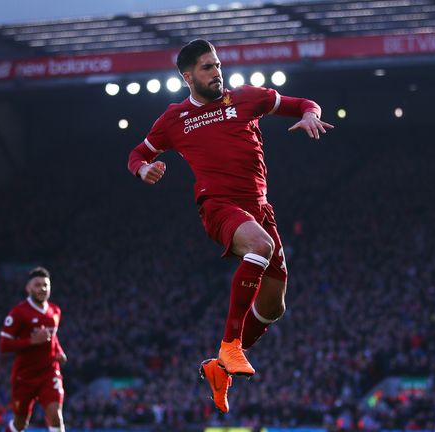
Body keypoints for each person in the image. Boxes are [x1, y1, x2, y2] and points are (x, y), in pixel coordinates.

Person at [127, 39, 334, 413]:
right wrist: (143, 169)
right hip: (219, 206)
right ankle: (230, 346)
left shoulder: (247, 98)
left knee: (274, 306)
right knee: (260, 246)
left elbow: (303, 103)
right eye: (207, 67)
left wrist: (309, 115)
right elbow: (138, 152)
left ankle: (219, 369)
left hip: (260, 208)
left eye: (218, 64)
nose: (216, 72)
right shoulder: (174, 120)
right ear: (187, 76)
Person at [0, 267, 68, 432]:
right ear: (28, 288)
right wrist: (31, 341)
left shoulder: (55, 311)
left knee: (55, 415)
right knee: (20, 423)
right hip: (25, 376)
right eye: (37, 285)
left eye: (46, 285)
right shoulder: (18, 313)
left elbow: (52, 336)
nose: (42, 289)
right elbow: (4, 345)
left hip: (49, 372)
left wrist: (59, 351)